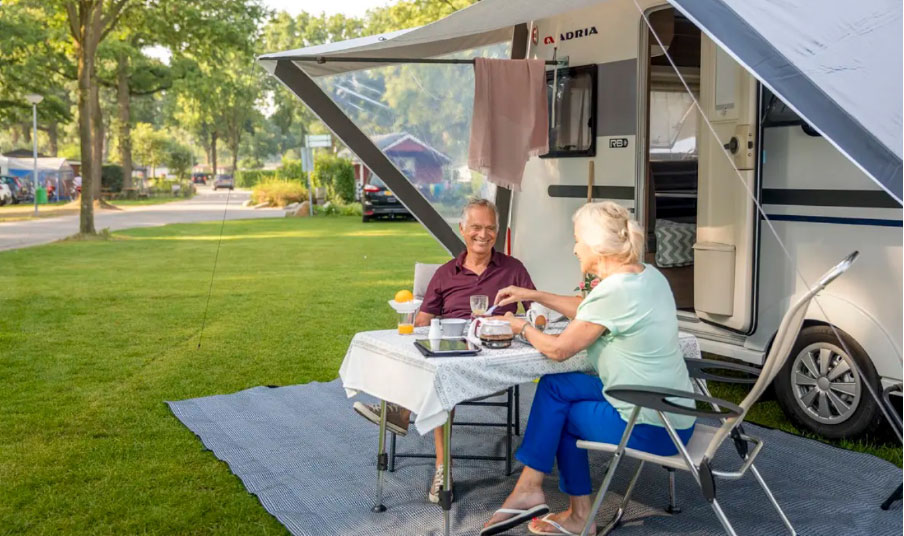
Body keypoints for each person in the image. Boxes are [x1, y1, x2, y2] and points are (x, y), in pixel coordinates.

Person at [480, 201, 696, 536]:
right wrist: (532, 294)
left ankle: (574, 513)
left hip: (652, 424)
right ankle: (529, 487)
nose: (574, 248)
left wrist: (519, 327)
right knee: (557, 387)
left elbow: (558, 349)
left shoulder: (615, 291)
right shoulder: (646, 274)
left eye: (578, 239)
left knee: (562, 415)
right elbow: (588, 308)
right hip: (673, 408)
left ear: (597, 247)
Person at [353, 197, 535, 504]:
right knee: (437, 369)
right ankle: (442, 467)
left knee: (439, 374)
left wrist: (512, 319)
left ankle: (400, 410)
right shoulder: (445, 273)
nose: (484, 234)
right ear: (462, 229)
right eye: (476, 227)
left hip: (493, 352)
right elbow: (424, 320)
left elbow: (535, 312)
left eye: (490, 228)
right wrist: (416, 318)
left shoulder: (513, 269)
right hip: (451, 348)